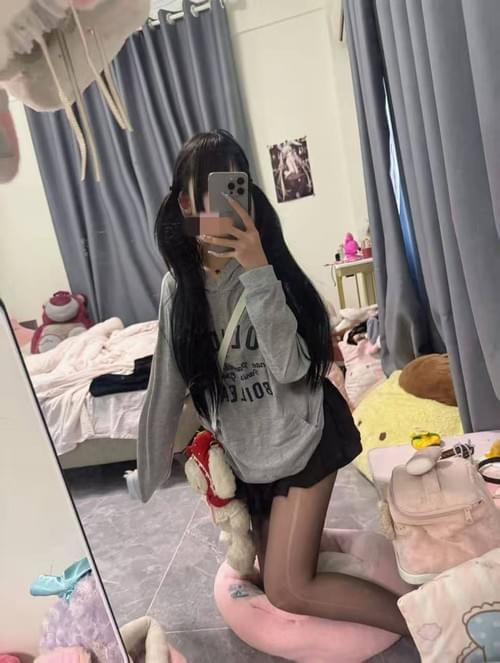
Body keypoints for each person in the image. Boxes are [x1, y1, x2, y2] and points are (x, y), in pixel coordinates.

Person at [136, 129, 409, 636]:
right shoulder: (178, 288)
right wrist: (147, 472)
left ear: (245, 191)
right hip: (249, 456)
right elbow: (167, 383)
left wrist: (258, 272)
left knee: (288, 589)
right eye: (207, 191)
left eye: (232, 187)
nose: (222, 205)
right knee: (265, 573)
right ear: (185, 204)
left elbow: (290, 369)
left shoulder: (270, 267)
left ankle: (432, 626)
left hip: (304, 438)